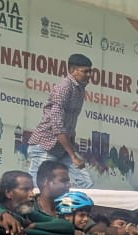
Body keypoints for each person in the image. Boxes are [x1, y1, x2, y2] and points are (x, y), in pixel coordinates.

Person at [27, 53, 94, 188]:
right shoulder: (64, 87)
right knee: (38, 188)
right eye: (85, 71)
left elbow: (69, 124)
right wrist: (73, 156)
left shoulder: (80, 89)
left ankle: (83, 209)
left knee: (86, 183)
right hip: (45, 146)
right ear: (72, 70)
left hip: (62, 148)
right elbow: (57, 125)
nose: (88, 75)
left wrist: (71, 150)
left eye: (90, 72)